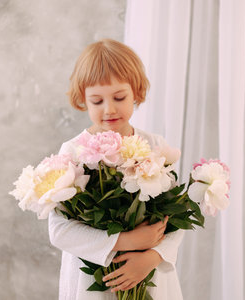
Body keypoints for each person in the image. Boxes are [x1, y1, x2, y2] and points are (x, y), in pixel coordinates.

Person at [48, 38, 184, 300]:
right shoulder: (72, 153)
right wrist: (126, 241)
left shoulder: (155, 146)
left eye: (119, 97)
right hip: (93, 279)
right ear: (83, 100)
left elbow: (174, 218)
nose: (109, 109)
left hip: (149, 276)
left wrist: (152, 257)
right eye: (97, 101)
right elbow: (60, 231)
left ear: (136, 92)